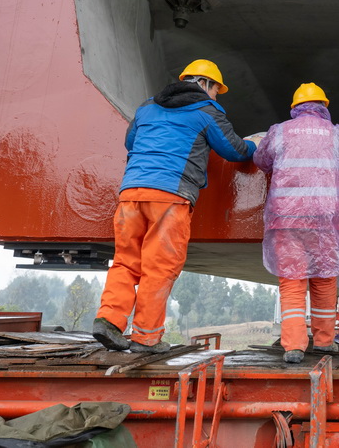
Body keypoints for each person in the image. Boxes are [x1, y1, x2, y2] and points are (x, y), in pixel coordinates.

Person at [93, 60, 257, 353]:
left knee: (125, 261)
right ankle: (146, 338)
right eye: (216, 89)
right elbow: (235, 151)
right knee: (159, 267)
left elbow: (131, 142)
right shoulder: (206, 111)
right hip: (170, 197)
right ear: (206, 84)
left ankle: (108, 321)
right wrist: (256, 144)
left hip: (130, 193)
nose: (216, 95)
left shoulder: (147, 107)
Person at [253, 82, 339, 364]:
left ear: (295, 108)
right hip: (327, 221)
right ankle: (324, 342)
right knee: (325, 279)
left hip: (287, 219)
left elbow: (261, 159)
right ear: (323, 107)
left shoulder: (279, 131)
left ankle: (293, 347)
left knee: (292, 282)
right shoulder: (338, 134)